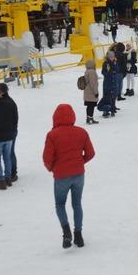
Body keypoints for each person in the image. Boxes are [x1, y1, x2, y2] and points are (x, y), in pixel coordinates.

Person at [42, 104, 95, 249]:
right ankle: (78, 235)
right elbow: (90, 153)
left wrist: (53, 168)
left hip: (61, 176)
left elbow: (47, 158)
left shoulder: (52, 135)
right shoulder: (81, 132)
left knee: (60, 204)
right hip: (78, 174)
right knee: (77, 204)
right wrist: (80, 162)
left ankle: (66, 232)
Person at [100, 51, 119, 118]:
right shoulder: (105, 63)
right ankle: (106, 110)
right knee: (107, 97)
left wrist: (114, 69)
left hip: (114, 82)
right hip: (107, 83)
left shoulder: (115, 62)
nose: (111, 58)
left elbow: (117, 69)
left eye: (112, 57)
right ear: (108, 57)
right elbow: (103, 72)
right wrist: (108, 73)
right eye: (110, 57)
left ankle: (112, 109)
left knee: (113, 96)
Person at [82, 59, 99, 124]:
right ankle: (90, 118)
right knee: (91, 106)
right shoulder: (92, 72)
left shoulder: (87, 71)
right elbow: (93, 83)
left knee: (89, 106)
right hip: (91, 92)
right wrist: (96, 92)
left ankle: (88, 118)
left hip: (87, 91)